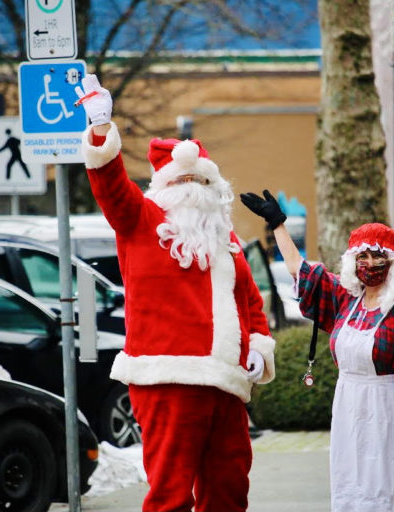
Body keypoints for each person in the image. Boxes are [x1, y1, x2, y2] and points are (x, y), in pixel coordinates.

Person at [76, 75, 276, 512]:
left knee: (229, 488)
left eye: (201, 182)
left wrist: (258, 344)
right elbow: (110, 185)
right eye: (183, 181)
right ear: (164, 187)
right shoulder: (140, 221)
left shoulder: (227, 241)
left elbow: (250, 302)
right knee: (170, 493)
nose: (193, 190)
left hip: (226, 382)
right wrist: (101, 128)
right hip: (168, 380)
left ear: (214, 187)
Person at [241, 189, 394, 512]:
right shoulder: (346, 300)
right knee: (350, 497)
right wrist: (278, 224)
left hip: (387, 416)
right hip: (349, 414)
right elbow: (300, 271)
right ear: (353, 261)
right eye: (363, 256)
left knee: (386, 498)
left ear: (393, 263)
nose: (371, 263)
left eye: (378, 256)